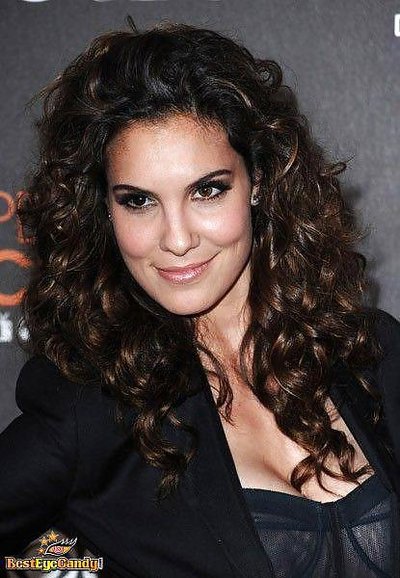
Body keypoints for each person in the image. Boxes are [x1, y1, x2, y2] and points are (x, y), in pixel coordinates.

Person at [0, 17, 399, 578]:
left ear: (258, 181)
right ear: (105, 210)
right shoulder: (92, 406)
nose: (177, 239)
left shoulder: (368, 349)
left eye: (207, 191)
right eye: (139, 201)